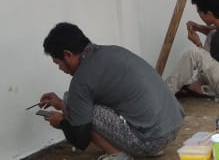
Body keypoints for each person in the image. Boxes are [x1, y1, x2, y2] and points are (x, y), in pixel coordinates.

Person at [39, 23, 183, 160]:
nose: (60, 68)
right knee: (73, 101)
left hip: (151, 140)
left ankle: (118, 156)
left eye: (58, 63)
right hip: (173, 126)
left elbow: (81, 140)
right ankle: (151, 147)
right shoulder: (112, 51)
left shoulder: (81, 80)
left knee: (78, 106)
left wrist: (62, 123)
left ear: (68, 55)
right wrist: (61, 104)